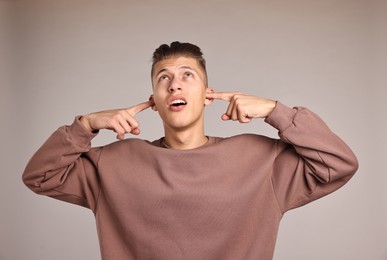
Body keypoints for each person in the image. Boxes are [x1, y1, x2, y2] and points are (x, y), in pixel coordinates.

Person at [22, 41, 359, 260]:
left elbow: (338, 164)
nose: (175, 84)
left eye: (188, 75)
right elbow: (40, 176)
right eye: (163, 78)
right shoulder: (112, 164)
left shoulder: (261, 160)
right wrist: (86, 125)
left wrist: (276, 110)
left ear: (207, 95)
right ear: (154, 102)